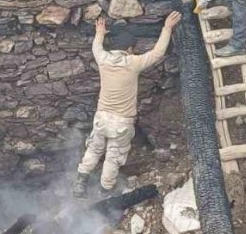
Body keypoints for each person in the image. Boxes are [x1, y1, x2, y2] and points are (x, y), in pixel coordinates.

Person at [73, 11, 182, 198]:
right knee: (113, 156)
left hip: (101, 117)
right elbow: (158, 53)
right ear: (129, 49)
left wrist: (99, 32)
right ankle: (105, 189)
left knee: (94, 149)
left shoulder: (104, 59)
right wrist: (167, 28)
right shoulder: (133, 63)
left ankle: (80, 183)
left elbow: (96, 47)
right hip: (121, 122)